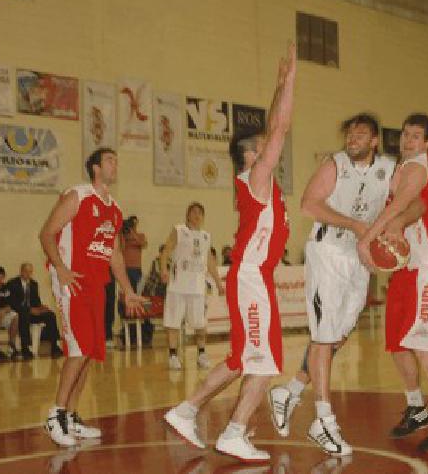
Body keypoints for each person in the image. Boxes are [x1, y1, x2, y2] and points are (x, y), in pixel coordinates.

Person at [163, 44, 295, 462]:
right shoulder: (256, 175)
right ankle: (234, 432)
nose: (271, 147)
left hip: (251, 276)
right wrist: (291, 81)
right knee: (265, 361)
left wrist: (277, 86)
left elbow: (275, 124)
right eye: (263, 146)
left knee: (243, 356)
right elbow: (281, 129)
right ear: (252, 156)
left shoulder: (256, 177)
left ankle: (186, 410)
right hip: (252, 276)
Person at [267, 113, 399, 456]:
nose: (352, 137)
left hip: (359, 258)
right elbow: (309, 204)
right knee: (324, 336)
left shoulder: (388, 167)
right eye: (349, 132)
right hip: (328, 252)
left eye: (360, 133)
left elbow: (407, 200)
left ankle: (291, 390)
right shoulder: (335, 165)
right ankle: (322, 419)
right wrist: (354, 224)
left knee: (338, 336)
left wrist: (395, 227)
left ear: (374, 141)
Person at [358, 113, 428, 453]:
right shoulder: (401, 167)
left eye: (415, 136)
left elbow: (409, 204)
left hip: (425, 265)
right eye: (405, 134)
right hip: (406, 267)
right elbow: (415, 206)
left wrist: (368, 239)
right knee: (396, 340)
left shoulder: (420, 166)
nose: (408, 140)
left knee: (423, 343)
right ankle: (417, 406)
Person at [39, 147, 145, 447]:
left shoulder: (114, 208)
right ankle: (55, 415)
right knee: (78, 348)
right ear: (96, 168)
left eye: (116, 160)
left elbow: (114, 255)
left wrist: (127, 289)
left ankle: (71, 416)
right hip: (72, 280)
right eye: (111, 160)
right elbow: (46, 233)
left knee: (89, 352)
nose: (116, 165)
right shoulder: (77, 195)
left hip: (97, 285)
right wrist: (60, 269)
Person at [159, 202, 224, 370]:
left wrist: (218, 282)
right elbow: (165, 251)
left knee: (200, 323)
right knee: (173, 322)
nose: (197, 215)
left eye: (200, 213)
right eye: (194, 212)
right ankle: (173, 355)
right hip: (177, 286)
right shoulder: (179, 230)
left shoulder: (206, 236)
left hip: (197, 288)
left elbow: (210, 260)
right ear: (188, 215)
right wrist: (164, 269)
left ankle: (201, 353)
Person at [7, 263, 63, 359]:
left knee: (50, 315)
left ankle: (54, 346)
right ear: (21, 271)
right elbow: (13, 303)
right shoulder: (12, 283)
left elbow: (36, 301)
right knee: (24, 315)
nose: (28, 274)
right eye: (26, 271)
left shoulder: (34, 284)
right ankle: (25, 348)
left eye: (30, 272)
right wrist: (29, 310)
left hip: (32, 312)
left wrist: (41, 308)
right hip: (21, 312)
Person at [117, 215, 150, 346]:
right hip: (125, 272)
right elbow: (120, 249)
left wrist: (133, 234)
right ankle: (127, 332)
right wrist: (122, 234)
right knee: (125, 300)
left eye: (134, 225)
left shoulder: (139, 236)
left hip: (136, 271)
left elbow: (143, 244)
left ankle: (140, 332)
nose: (132, 227)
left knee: (137, 298)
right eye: (131, 225)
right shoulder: (123, 237)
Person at [0, 266, 21, 359]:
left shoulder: (6, 288)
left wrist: (5, 310)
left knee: (15, 316)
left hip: (3, 313)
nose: (0, 279)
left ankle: (12, 344)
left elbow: (10, 304)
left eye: (2, 277)